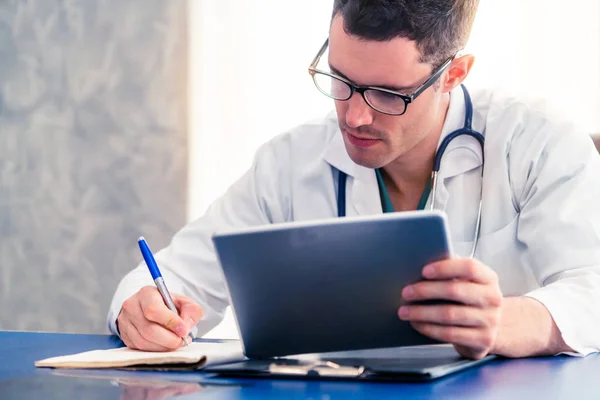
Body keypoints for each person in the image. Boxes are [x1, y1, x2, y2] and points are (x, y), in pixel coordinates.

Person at [107, 0, 600, 360]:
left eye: (388, 94)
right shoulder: (288, 163)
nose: (356, 117)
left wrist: (505, 321)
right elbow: (174, 277)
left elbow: (591, 290)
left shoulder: (538, 142)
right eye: (341, 81)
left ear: (454, 74)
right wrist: (142, 309)